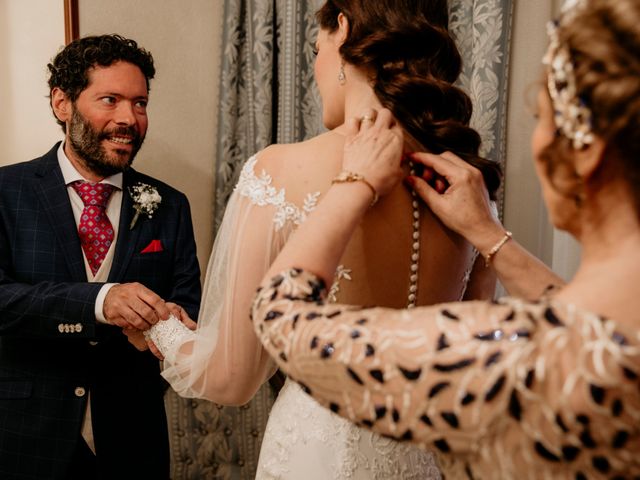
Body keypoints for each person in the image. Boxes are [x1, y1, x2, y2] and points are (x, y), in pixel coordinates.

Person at [250, 0, 640, 477]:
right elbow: (578, 317)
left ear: (590, 155)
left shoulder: (505, 357)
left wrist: (356, 184)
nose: (537, 142)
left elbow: (281, 318)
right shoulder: (604, 341)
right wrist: (487, 235)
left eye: (543, 120)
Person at [149, 0, 501, 478]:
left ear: (343, 28)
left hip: (317, 455)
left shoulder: (279, 170)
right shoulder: (469, 184)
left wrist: (161, 330)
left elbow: (232, 379)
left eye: (318, 48)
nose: (316, 69)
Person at [0, 35, 201, 479]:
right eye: (110, 100)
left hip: (134, 440)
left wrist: (156, 330)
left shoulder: (170, 205)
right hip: (23, 440)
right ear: (62, 103)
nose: (129, 118)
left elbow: (189, 308)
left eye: (140, 103)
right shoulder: (5, 192)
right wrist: (99, 302)